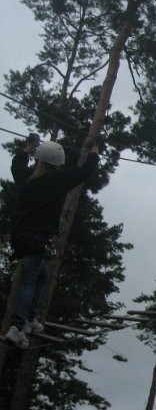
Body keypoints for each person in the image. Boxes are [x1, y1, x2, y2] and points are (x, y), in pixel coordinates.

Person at [4, 137, 99, 348]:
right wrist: (95, 149)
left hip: (20, 236)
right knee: (29, 280)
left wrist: (29, 146)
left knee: (42, 274)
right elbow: (85, 171)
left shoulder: (26, 177)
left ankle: (28, 320)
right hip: (37, 238)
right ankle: (17, 327)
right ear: (57, 163)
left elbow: (17, 162)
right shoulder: (57, 180)